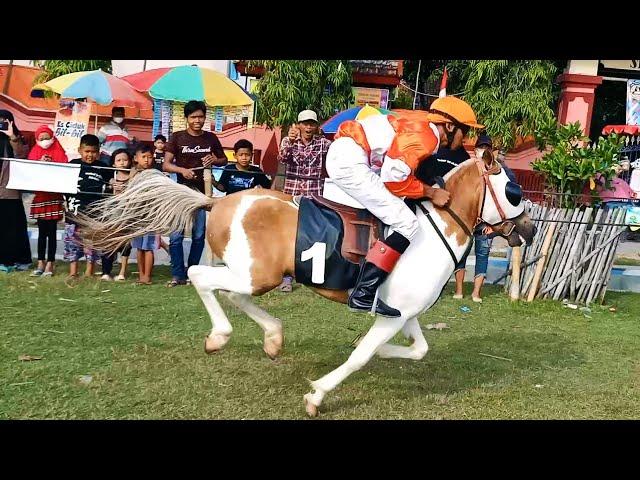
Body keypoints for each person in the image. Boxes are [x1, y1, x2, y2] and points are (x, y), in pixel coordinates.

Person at [325, 96, 484, 317]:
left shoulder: (424, 125)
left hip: (354, 155)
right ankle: (365, 292)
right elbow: (394, 179)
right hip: (351, 161)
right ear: (449, 126)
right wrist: (431, 192)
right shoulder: (427, 136)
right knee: (407, 223)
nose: (466, 137)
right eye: (464, 130)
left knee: (397, 211)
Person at [162, 100, 227, 287]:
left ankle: (192, 272)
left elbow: (222, 160)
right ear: (187, 118)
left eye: (201, 116)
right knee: (176, 236)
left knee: (199, 236)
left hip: (203, 193)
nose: (198, 120)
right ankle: (177, 275)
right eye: (193, 117)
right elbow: (166, 164)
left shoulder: (211, 138)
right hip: (180, 193)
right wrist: (182, 170)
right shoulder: (177, 138)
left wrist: (214, 159)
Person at [277, 109, 331, 292]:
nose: (308, 127)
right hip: (292, 196)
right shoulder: (288, 140)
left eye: (312, 124)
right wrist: (291, 142)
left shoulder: (324, 143)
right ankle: (286, 278)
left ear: (317, 126)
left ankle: (309, 275)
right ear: (298, 125)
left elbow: (338, 156)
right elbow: (282, 159)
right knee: (289, 235)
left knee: (314, 236)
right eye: (305, 123)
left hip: (315, 196)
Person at [453, 134, 497, 303]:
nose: (483, 151)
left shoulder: (496, 171)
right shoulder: (468, 168)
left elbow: (497, 201)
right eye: (481, 147)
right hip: (467, 222)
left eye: (487, 148)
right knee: (461, 255)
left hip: (485, 223)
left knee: (483, 254)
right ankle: (458, 290)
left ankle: (476, 293)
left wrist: (492, 224)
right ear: (476, 150)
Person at [63, 134, 111, 279]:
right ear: (80, 150)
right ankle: (73, 272)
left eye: (93, 152)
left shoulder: (103, 167)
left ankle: (89, 271)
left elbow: (110, 186)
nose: (90, 155)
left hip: (93, 214)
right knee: (72, 243)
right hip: (73, 213)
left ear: (98, 151)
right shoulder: (72, 164)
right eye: (87, 151)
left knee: (91, 244)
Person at [27, 125, 68, 277]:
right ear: (37, 139)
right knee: (41, 233)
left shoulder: (58, 150)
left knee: (51, 232)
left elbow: (64, 166)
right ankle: (40, 262)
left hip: (54, 197)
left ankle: (50, 263)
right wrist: (40, 161)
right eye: (41, 138)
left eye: (47, 137)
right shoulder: (35, 152)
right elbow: (29, 169)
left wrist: (51, 162)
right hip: (40, 197)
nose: (45, 141)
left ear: (52, 137)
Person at [0, 110, 32, 272]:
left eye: (4, 121)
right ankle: (3, 260)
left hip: (10, 191)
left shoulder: (19, 139)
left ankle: (20, 260)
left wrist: (12, 136)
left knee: (15, 227)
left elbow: (22, 156)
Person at [100, 148, 133, 281]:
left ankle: (122, 272)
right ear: (113, 163)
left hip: (126, 215)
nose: (122, 163)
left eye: (125, 160)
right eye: (118, 160)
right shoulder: (110, 178)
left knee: (125, 244)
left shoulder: (133, 178)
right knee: (108, 243)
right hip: (111, 215)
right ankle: (106, 272)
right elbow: (104, 196)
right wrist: (110, 187)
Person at [130, 145, 160, 285]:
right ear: (136, 158)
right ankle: (141, 274)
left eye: (149, 157)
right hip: (136, 214)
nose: (147, 160)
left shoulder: (155, 173)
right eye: (144, 157)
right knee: (139, 247)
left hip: (151, 215)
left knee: (148, 247)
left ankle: (147, 276)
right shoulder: (133, 173)